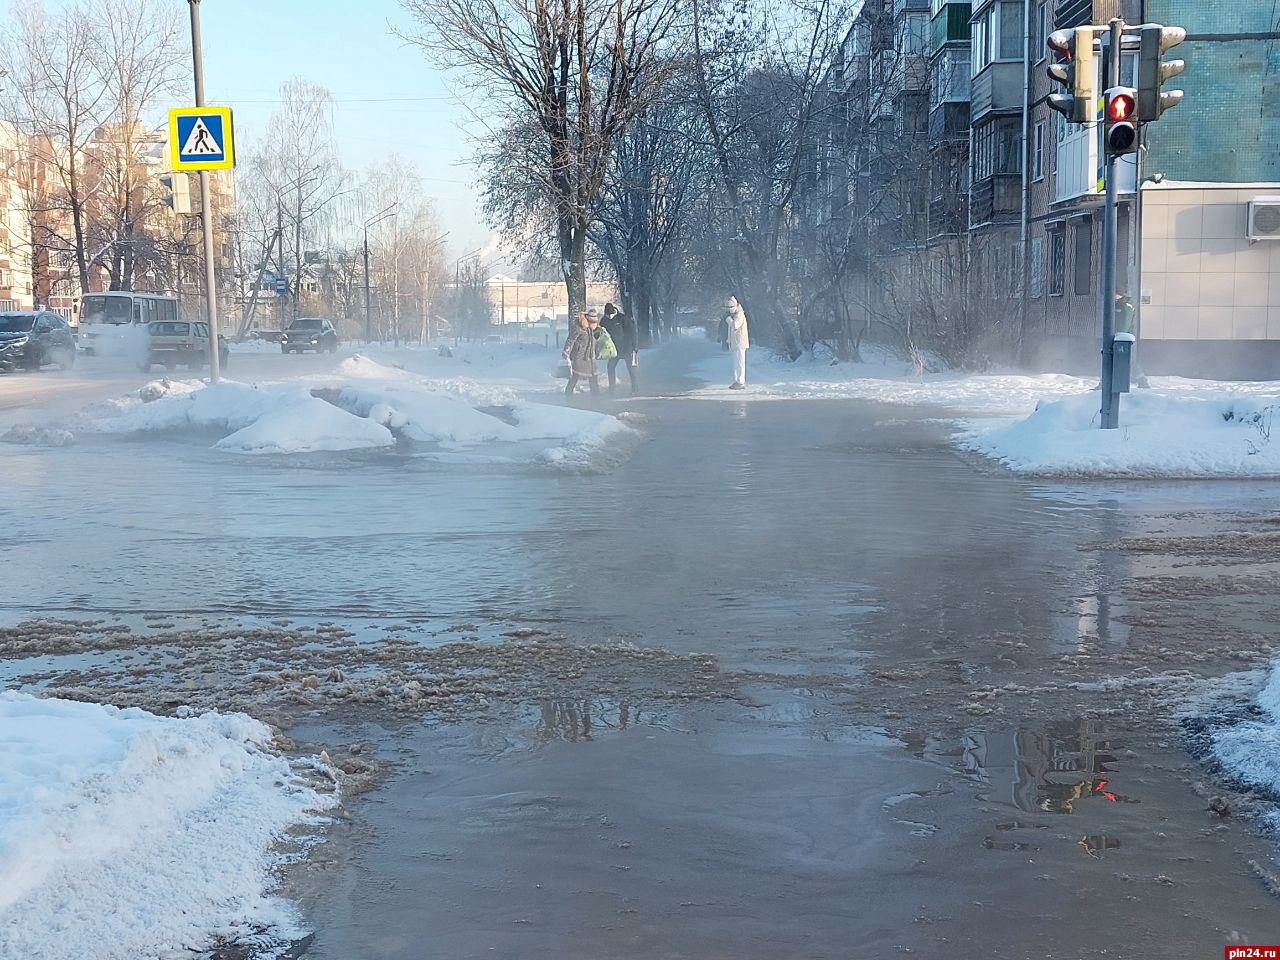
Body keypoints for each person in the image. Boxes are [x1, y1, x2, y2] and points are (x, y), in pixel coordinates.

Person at [601, 302, 638, 395]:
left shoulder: (622, 318)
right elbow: (600, 334)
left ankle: (635, 388)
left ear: (614, 311)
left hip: (626, 347)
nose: (609, 317)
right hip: (613, 349)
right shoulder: (604, 321)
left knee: (630, 368)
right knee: (610, 367)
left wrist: (635, 345)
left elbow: (632, 331)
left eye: (610, 314)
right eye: (607, 315)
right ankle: (612, 388)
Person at [562, 310, 600, 396]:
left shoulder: (590, 329)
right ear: (588, 321)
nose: (595, 324)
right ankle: (568, 394)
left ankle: (596, 395)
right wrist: (566, 352)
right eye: (593, 322)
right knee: (576, 375)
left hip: (590, 357)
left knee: (594, 375)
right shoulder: (578, 328)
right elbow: (570, 339)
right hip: (579, 357)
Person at [724, 295, 749, 390]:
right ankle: (737, 380)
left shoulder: (739, 314)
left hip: (740, 343)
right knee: (736, 363)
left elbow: (735, 325)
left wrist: (729, 320)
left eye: (730, 307)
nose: (729, 309)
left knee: (740, 363)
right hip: (735, 343)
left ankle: (741, 381)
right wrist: (728, 340)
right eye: (727, 307)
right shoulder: (734, 315)